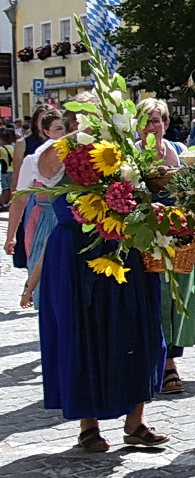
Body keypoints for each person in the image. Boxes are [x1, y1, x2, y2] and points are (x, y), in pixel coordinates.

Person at [37, 112, 169, 451]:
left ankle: (135, 422)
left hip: (123, 248)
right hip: (75, 255)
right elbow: (48, 168)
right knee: (83, 333)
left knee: (138, 329)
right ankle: (88, 426)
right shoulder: (58, 153)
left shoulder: (120, 151)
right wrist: (76, 138)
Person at [140, 98, 195, 394]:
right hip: (147, 237)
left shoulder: (179, 151)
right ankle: (166, 366)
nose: (156, 126)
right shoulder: (132, 156)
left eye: (160, 120)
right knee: (159, 300)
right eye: (150, 121)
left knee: (178, 302)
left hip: (181, 236)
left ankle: (171, 359)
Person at [6, 111, 70, 308]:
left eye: (64, 128)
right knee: (46, 280)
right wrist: (11, 235)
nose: (62, 133)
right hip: (46, 221)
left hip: (73, 219)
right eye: (58, 129)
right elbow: (20, 198)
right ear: (46, 132)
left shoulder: (77, 154)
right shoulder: (35, 160)